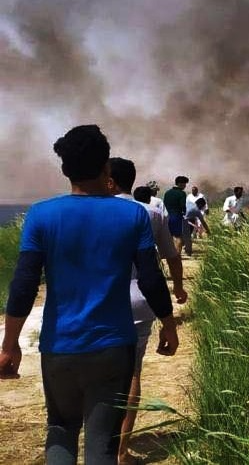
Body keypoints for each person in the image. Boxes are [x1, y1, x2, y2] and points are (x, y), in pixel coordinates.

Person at [0, 125, 178, 465]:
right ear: (106, 168)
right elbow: (151, 279)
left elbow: (23, 285)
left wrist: (9, 345)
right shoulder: (133, 214)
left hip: (60, 345)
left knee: (61, 429)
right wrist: (169, 325)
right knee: (103, 445)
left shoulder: (41, 214)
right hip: (114, 346)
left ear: (65, 169)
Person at [108, 158, 187, 464]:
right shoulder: (152, 213)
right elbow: (167, 259)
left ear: (109, 179)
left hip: (96, 302)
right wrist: (177, 290)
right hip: (139, 300)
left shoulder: (88, 210)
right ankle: (120, 450)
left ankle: (93, 439)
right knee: (131, 373)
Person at [163, 176, 189, 252]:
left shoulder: (167, 193)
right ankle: (177, 255)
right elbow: (183, 206)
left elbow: (164, 204)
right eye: (184, 184)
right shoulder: (182, 193)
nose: (185, 186)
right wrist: (185, 212)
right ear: (180, 184)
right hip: (176, 216)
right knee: (178, 237)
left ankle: (170, 253)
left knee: (170, 236)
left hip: (167, 216)